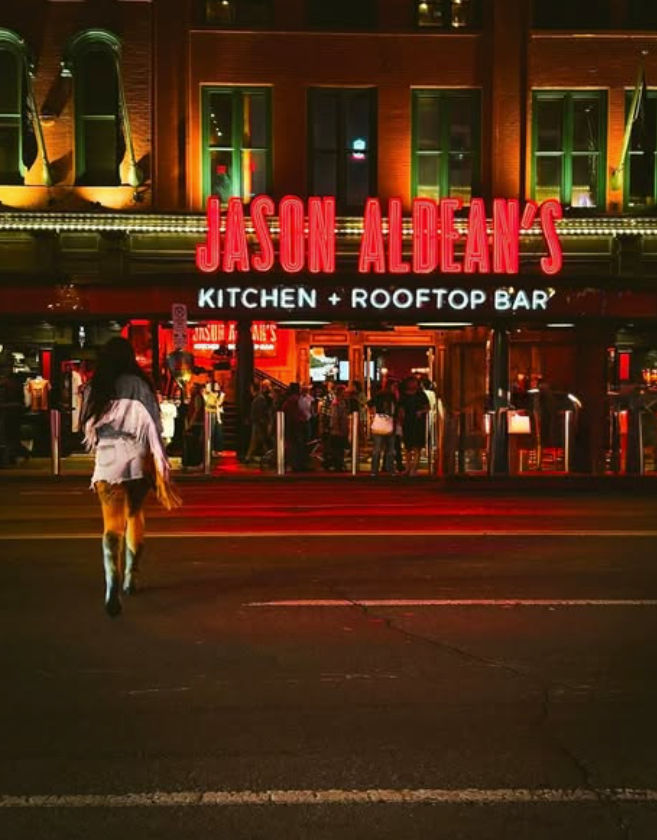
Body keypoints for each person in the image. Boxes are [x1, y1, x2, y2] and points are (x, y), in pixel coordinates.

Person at [82, 337, 180, 617]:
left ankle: (111, 578)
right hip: (136, 455)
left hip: (107, 458)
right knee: (134, 515)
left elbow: (85, 425)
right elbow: (154, 423)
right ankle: (130, 575)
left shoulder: (94, 386)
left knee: (111, 524)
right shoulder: (140, 384)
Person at [398, 376, 430, 476]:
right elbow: (400, 407)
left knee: (417, 447)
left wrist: (421, 411)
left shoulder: (421, 395)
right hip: (407, 422)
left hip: (418, 422)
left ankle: (414, 468)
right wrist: (401, 418)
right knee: (408, 447)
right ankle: (408, 468)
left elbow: (428, 407)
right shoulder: (404, 395)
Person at [368, 383, 397, 476]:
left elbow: (369, 404)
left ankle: (374, 470)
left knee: (377, 449)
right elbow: (395, 409)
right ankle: (390, 469)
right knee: (390, 449)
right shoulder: (392, 396)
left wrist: (373, 414)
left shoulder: (378, 395)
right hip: (389, 423)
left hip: (379, 422)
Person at [246, 380, 274, 462]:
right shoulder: (261, 399)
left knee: (256, 440)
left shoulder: (261, 398)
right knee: (262, 440)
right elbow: (261, 411)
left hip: (258, 421)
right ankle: (268, 457)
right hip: (259, 422)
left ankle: (249, 456)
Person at [281, 382, 307, 471]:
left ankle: (294, 464)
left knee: (293, 447)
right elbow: (294, 417)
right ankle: (296, 465)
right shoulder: (292, 402)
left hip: (290, 428)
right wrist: (301, 419)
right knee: (295, 447)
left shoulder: (288, 402)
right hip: (293, 429)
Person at [183, 381, 205, 468]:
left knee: (195, 444)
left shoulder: (197, 397)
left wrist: (190, 424)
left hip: (196, 424)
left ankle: (195, 461)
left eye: (193, 388)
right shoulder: (194, 397)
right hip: (194, 423)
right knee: (193, 443)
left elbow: (196, 411)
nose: (191, 389)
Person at [328, 384, 350, 471]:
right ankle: (338, 465)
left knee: (340, 448)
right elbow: (335, 417)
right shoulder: (336, 403)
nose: (346, 394)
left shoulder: (342, 402)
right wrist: (338, 428)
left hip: (342, 428)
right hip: (338, 430)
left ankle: (339, 464)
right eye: (345, 392)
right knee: (338, 448)